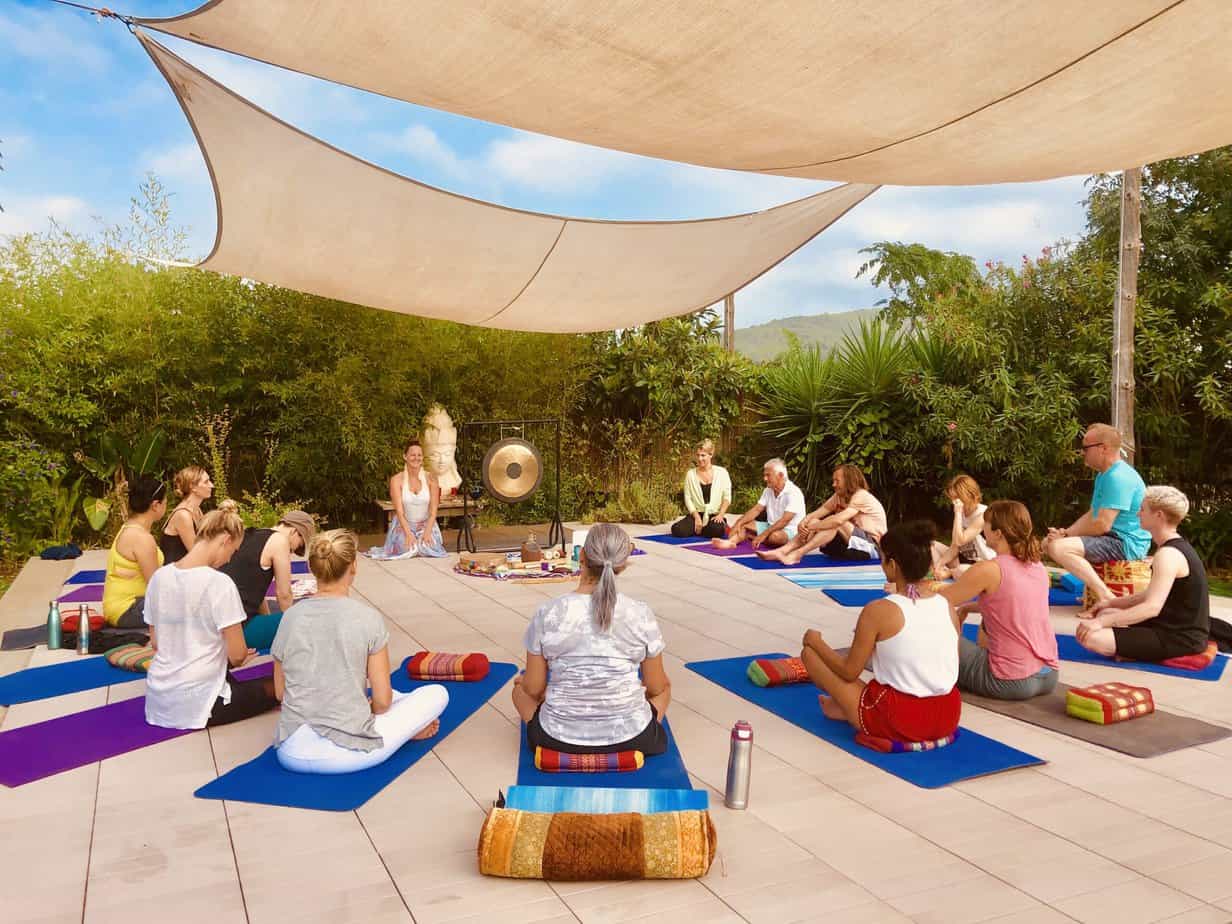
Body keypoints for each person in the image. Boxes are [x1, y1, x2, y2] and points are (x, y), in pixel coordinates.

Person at [273, 530, 446, 774]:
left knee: (393, 696)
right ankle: (406, 732)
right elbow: (382, 703)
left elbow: (281, 692)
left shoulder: (289, 617)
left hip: (290, 750)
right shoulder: (367, 618)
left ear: (312, 567)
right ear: (353, 566)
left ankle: (396, 723)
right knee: (436, 693)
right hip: (349, 754)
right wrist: (368, 710)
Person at [513, 523, 670, 756]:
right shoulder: (640, 613)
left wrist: (528, 685)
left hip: (556, 738)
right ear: (623, 563)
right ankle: (627, 721)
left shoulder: (548, 612)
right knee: (666, 688)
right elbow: (656, 687)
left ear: (582, 556)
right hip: (634, 737)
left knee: (519, 690)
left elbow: (534, 689)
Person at [800, 521, 962, 743]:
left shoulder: (879, 610)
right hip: (948, 715)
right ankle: (843, 706)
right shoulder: (947, 606)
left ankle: (848, 708)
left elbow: (849, 672)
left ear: (893, 565)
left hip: (900, 718)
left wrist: (816, 641)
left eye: (883, 559)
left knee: (810, 654)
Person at [145, 506, 280, 730]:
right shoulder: (220, 583)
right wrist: (236, 658)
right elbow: (237, 655)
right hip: (200, 702)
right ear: (225, 540)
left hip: (159, 699)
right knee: (279, 688)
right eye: (232, 552)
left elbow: (157, 643)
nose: (229, 560)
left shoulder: (160, 577)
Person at [1076, 486, 1211, 662]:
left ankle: (1136, 653)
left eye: (1142, 509)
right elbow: (1149, 595)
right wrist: (1110, 602)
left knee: (1091, 637)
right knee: (1106, 612)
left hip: (1180, 638)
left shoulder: (1168, 555)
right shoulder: (1173, 547)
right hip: (1168, 625)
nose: (1138, 513)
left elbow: (1151, 608)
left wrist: (1099, 623)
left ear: (1159, 515)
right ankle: (1131, 649)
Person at [940, 500, 1059, 700]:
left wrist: (907, 589)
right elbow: (1012, 604)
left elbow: (939, 601)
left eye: (985, 524)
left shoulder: (989, 569)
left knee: (935, 640)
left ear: (998, 533)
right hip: (1049, 675)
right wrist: (968, 607)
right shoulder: (1038, 567)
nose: (982, 529)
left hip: (1008, 681)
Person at [1044, 423, 1150, 603]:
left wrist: (1065, 537)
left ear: (1103, 448)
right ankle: (1095, 593)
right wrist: (1065, 532)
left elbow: (1101, 525)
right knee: (1048, 543)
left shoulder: (1118, 477)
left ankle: (1104, 595)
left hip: (1125, 543)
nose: (1082, 453)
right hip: (1112, 537)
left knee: (1058, 547)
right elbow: (1092, 514)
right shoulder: (1105, 475)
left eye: (1086, 448)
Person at [758, 464, 885, 565]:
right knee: (815, 521)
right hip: (851, 545)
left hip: (873, 547)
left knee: (833, 522)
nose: (833, 484)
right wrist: (805, 521)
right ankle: (782, 551)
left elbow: (838, 521)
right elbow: (821, 511)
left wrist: (812, 527)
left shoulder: (860, 495)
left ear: (848, 481)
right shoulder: (839, 496)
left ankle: (797, 554)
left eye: (837, 481)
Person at [218, 509, 315, 618]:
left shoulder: (251, 534)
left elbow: (255, 590)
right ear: (294, 531)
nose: (292, 552)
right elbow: (284, 594)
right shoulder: (280, 540)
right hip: (238, 619)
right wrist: (291, 624)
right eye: (299, 545)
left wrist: (266, 617)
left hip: (220, 613)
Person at [102, 475, 167, 627]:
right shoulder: (141, 538)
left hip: (123, 606)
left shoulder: (130, 527)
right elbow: (156, 585)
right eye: (165, 502)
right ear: (155, 505)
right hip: (128, 609)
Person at [368, 439, 447, 559]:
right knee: (408, 548)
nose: (416, 458)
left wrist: (427, 532)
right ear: (405, 456)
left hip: (426, 524)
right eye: (412, 455)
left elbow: (433, 511)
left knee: (428, 547)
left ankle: (424, 542)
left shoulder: (431, 478)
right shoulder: (396, 480)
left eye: (419, 455)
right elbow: (399, 512)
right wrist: (408, 534)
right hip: (404, 524)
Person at [710, 458, 805, 551]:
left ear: (780, 475)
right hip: (770, 525)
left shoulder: (793, 493)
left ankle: (753, 536)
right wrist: (739, 523)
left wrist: (763, 535)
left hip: (790, 530)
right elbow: (756, 510)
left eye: (768, 475)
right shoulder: (768, 490)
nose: (765, 478)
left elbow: (784, 521)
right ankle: (730, 542)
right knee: (743, 525)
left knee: (775, 537)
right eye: (764, 475)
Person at [931, 474, 995, 580]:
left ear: (968, 495)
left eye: (957, 498)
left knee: (961, 569)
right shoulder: (961, 513)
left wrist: (957, 513)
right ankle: (940, 574)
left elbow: (960, 540)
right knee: (931, 545)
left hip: (983, 563)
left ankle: (950, 573)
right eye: (952, 498)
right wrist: (939, 564)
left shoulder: (983, 514)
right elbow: (955, 547)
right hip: (964, 560)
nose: (954, 502)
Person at [670, 438, 732, 539]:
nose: (699, 459)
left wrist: (721, 515)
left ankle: (705, 528)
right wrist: (696, 517)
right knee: (677, 530)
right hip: (697, 514)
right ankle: (701, 528)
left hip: (714, 515)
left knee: (716, 530)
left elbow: (727, 497)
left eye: (703, 455)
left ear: (711, 454)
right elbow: (688, 498)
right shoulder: (690, 474)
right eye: (697, 455)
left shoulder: (722, 473)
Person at [160, 466, 214, 564]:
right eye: (206, 482)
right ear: (192, 486)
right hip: (174, 570)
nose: (212, 485)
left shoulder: (196, 510)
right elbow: (196, 554)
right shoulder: (183, 515)